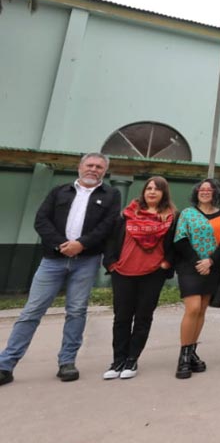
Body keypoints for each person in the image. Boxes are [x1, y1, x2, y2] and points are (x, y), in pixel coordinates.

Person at [0, 153, 120, 387]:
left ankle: (67, 362)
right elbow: (41, 220)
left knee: (76, 311)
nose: (93, 169)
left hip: (86, 261)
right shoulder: (60, 191)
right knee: (32, 311)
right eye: (90, 165)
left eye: (99, 167)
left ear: (104, 171)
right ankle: (6, 364)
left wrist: (81, 244)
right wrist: (60, 244)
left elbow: (109, 225)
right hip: (52, 260)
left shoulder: (111, 195)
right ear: (80, 167)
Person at [103, 176, 176, 380]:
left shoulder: (170, 217)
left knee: (143, 317)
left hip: (152, 273)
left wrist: (166, 264)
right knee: (122, 317)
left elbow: (174, 244)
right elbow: (110, 240)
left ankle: (132, 359)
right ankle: (118, 360)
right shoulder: (128, 214)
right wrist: (111, 264)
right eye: (149, 188)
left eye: (157, 189)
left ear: (164, 193)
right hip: (124, 271)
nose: (152, 192)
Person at [172, 178, 220, 379]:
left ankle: (191, 352)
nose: (205, 192)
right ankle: (183, 356)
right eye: (202, 189)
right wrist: (198, 261)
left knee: (202, 309)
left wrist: (211, 262)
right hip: (190, 267)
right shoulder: (187, 214)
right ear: (196, 192)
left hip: (212, 268)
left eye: (209, 189)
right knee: (193, 308)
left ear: (216, 193)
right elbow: (180, 238)